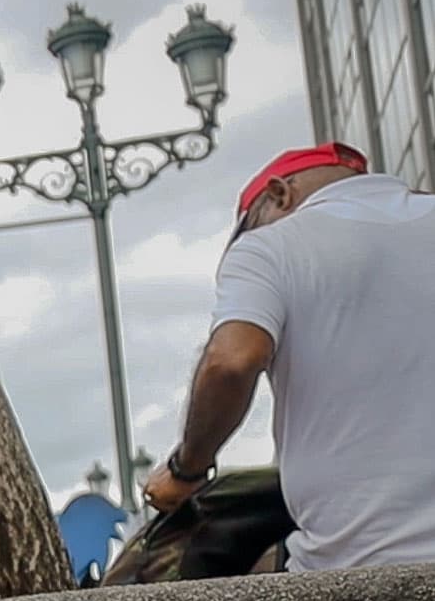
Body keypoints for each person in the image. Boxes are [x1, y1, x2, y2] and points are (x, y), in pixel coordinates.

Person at [142, 142, 435, 568]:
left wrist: (186, 470)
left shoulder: (270, 248)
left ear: (279, 194)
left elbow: (230, 363)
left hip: (358, 569)